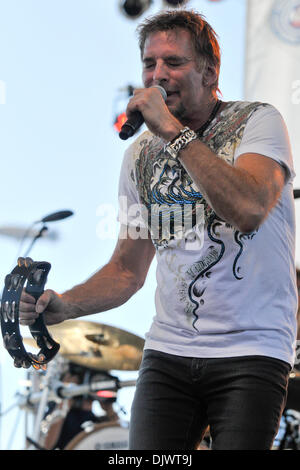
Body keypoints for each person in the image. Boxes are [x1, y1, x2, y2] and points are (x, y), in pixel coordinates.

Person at [20, 10, 298, 450]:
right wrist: (65, 304)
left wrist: (172, 132)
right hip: (169, 352)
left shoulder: (256, 123)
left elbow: (247, 208)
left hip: (251, 350)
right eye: (149, 64)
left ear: (210, 71)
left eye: (173, 62)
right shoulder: (141, 156)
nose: (157, 75)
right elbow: (126, 271)